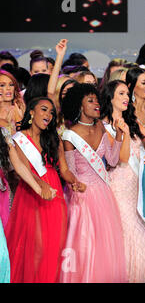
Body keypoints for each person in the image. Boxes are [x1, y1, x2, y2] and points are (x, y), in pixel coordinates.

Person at [6, 97, 79, 283]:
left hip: (54, 194)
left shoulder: (54, 139)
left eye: (51, 112)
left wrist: (74, 181)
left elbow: (64, 170)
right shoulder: (19, 139)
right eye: (44, 110)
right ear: (31, 112)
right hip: (31, 193)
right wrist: (41, 185)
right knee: (35, 246)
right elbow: (22, 170)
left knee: (52, 245)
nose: (48, 115)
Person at [59, 83, 127, 282]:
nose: (96, 103)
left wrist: (120, 135)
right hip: (83, 196)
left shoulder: (101, 127)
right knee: (85, 245)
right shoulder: (69, 135)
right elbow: (70, 171)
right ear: (80, 106)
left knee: (106, 247)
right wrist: (76, 185)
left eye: (96, 100)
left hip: (104, 194)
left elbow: (113, 161)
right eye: (90, 101)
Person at [100, 80, 145, 283]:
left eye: (127, 94)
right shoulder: (103, 126)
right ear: (110, 98)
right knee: (127, 234)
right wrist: (123, 134)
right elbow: (122, 159)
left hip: (137, 185)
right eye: (121, 94)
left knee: (142, 231)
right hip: (119, 186)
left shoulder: (132, 121)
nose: (126, 97)